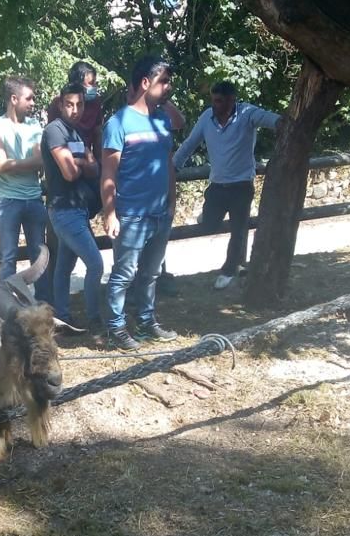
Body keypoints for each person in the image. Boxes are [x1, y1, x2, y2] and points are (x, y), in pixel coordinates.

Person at [173, 80, 282, 289]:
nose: (216, 104)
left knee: (238, 229)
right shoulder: (207, 117)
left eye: (220, 100)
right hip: (217, 184)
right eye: (213, 100)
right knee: (208, 224)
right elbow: (190, 143)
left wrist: (283, 124)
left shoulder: (247, 113)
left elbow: (272, 119)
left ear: (232, 99)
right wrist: (173, 166)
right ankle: (210, 217)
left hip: (242, 184)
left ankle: (229, 269)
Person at [102, 56, 179, 351]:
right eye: (164, 82)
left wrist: (172, 201)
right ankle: (115, 328)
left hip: (160, 212)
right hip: (131, 214)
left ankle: (147, 322)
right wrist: (110, 213)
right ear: (146, 83)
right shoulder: (118, 122)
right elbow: (108, 172)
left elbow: (168, 163)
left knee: (151, 273)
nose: (168, 87)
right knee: (123, 275)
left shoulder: (162, 120)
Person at [41, 82, 104, 333]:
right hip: (64, 209)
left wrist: (82, 163)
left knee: (64, 268)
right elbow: (68, 173)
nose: (75, 110)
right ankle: (94, 320)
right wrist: (83, 163)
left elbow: (96, 168)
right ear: (61, 104)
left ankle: (63, 319)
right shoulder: (55, 131)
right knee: (96, 264)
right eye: (70, 104)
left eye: (79, 104)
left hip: (77, 209)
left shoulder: (75, 134)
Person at [0, 76, 50, 301]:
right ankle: (8, 305)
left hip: (33, 199)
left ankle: (42, 303)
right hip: (8, 201)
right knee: (8, 258)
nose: (33, 103)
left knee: (39, 255)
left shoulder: (34, 125)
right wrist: (25, 164)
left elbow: (40, 161)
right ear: (14, 99)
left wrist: (8, 164)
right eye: (29, 98)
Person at [47, 61, 104, 160]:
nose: (94, 86)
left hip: (87, 158)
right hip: (63, 157)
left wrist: (98, 165)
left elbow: (97, 134)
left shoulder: (95, 103)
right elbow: (52, 137)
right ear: (77, 84)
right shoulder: (58, 103)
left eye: (95, 83)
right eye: (91, 83)